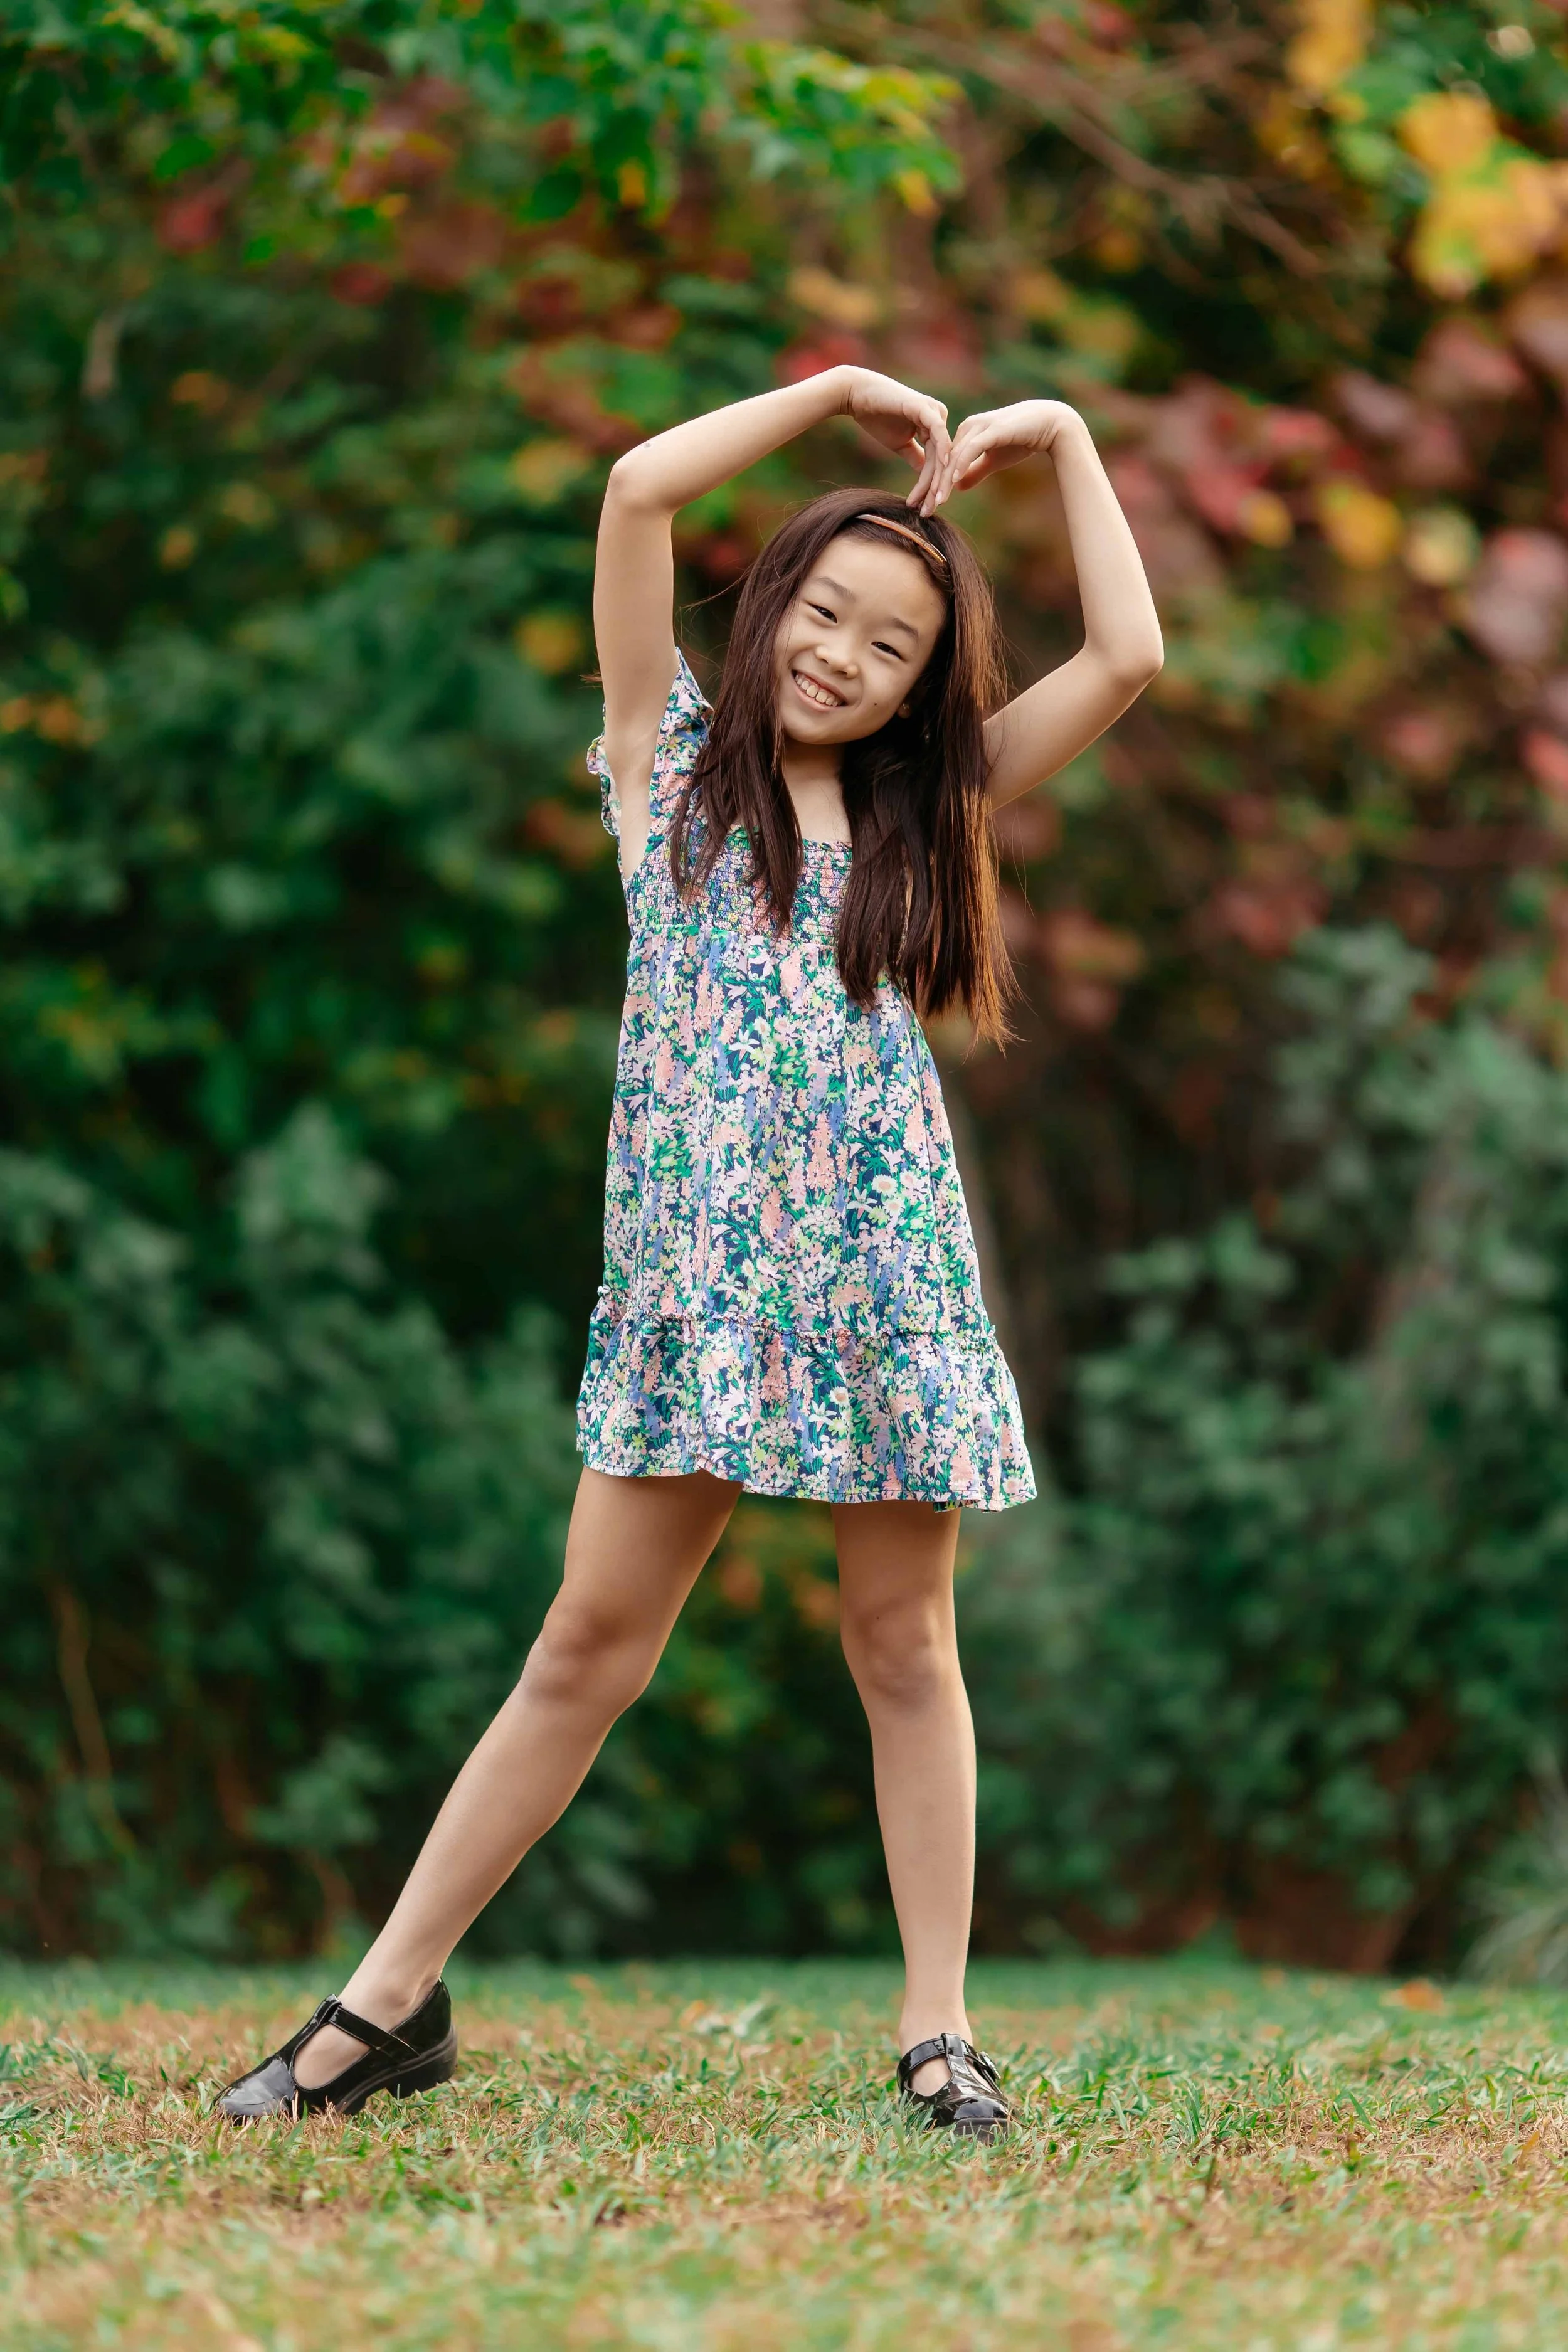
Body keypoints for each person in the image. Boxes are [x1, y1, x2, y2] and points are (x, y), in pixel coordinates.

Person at [218, 365, 1162, 2139]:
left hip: (879, 1283)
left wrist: (1068, 445)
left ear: (912, 693)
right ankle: (383, 2004)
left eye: (886, 648)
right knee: (587, 1643)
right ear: (776, 607)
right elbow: (640, 489)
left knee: (902, 1642)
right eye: (821, 611)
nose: (838, 656)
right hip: (697, 1292)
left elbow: (1125, 662)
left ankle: (938, 2032)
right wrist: (832, 392)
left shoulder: (922, 817)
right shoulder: (662, 773)